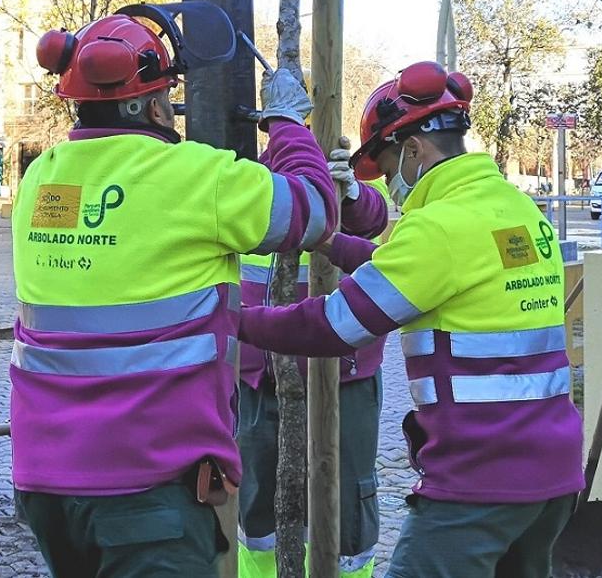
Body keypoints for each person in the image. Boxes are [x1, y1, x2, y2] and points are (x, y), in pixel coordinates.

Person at [10, 6, 339, 577]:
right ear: (153, 104)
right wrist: (287, 124)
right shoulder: (195, 176)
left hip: (46, 485)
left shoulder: (42, 180)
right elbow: (315, 212)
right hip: (148, 492)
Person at [237, 61, 584, 578]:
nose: (389, 182)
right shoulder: (515, 209)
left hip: (480, 480)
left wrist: (233, 321)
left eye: (387, 162)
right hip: (553, 470)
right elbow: (408, 269)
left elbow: (335, 325)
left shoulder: (439, 227)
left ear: (415, 150)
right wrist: (331, 242)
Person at [237, 158, 390, 578]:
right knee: (257, 505)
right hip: (259, 376)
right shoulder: (248, 180)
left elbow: (374, 216)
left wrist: (351, 193)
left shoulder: (337, 186)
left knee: (346, 503)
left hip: (341, 377)